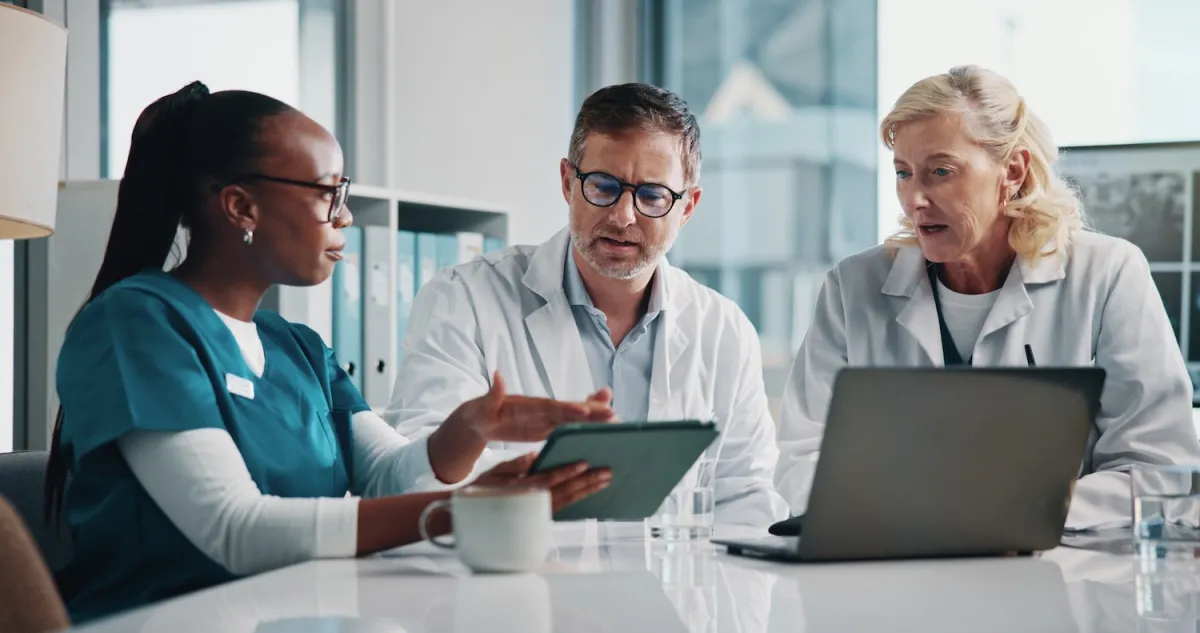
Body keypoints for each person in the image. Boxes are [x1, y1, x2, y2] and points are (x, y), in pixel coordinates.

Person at [45, 82, 616, 623]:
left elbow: (390, 476)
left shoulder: (297, 348)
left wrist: (466, 430)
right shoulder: (135, 324)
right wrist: (465, 509)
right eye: (329, 192)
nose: (345, 215)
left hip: (291, 618)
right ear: (241, 206)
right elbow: (236, 529)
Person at [774, 65, 1200, 530]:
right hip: (895, 571)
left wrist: (1010, 508)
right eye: (903, 173)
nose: (914, 198)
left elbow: (1158, 471)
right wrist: (921, 508)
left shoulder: (1107, 274)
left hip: (1063, 578)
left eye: (940, 171)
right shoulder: (852, 286)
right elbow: (801, 459)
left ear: (1012, 171)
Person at [385, 83, 789, 527]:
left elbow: (748, 502)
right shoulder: (463, 299)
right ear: (567, 182)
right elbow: (413, 484)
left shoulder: (724, 330)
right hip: (517, 585)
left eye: (652, 196)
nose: (622, 216)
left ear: (687, 206)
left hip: (674, 594)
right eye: (603, 186)